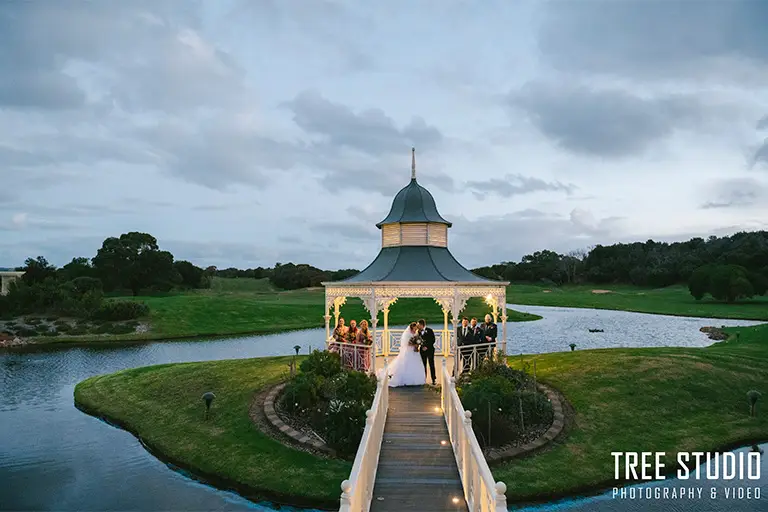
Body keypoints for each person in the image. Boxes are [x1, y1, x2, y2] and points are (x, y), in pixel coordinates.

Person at [382, 322, 425, 387]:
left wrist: (418, 344)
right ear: (411, 328)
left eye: (416, 328)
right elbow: (407, 343)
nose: (415, 329)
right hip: (409, 351)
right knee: (407, 364)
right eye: (414, 328)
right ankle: (405, 378)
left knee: (416, 364)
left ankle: (416, 379)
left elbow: (417, 340)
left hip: (415, 351)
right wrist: (414, 344)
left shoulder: (416, 334)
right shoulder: (408, 334)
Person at [418, 319, 437, 385]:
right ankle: (423, 379)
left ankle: (433, 379)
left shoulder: (429, 330)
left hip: (430, 350)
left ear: (422, 325)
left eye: (419, 325)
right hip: (422, 350)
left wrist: (427, 346)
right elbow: (418, 340)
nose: (418, 326)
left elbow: (433, 340)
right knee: (423, 365)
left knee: (431, 364)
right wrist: (421, 346)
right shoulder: (418, 332)